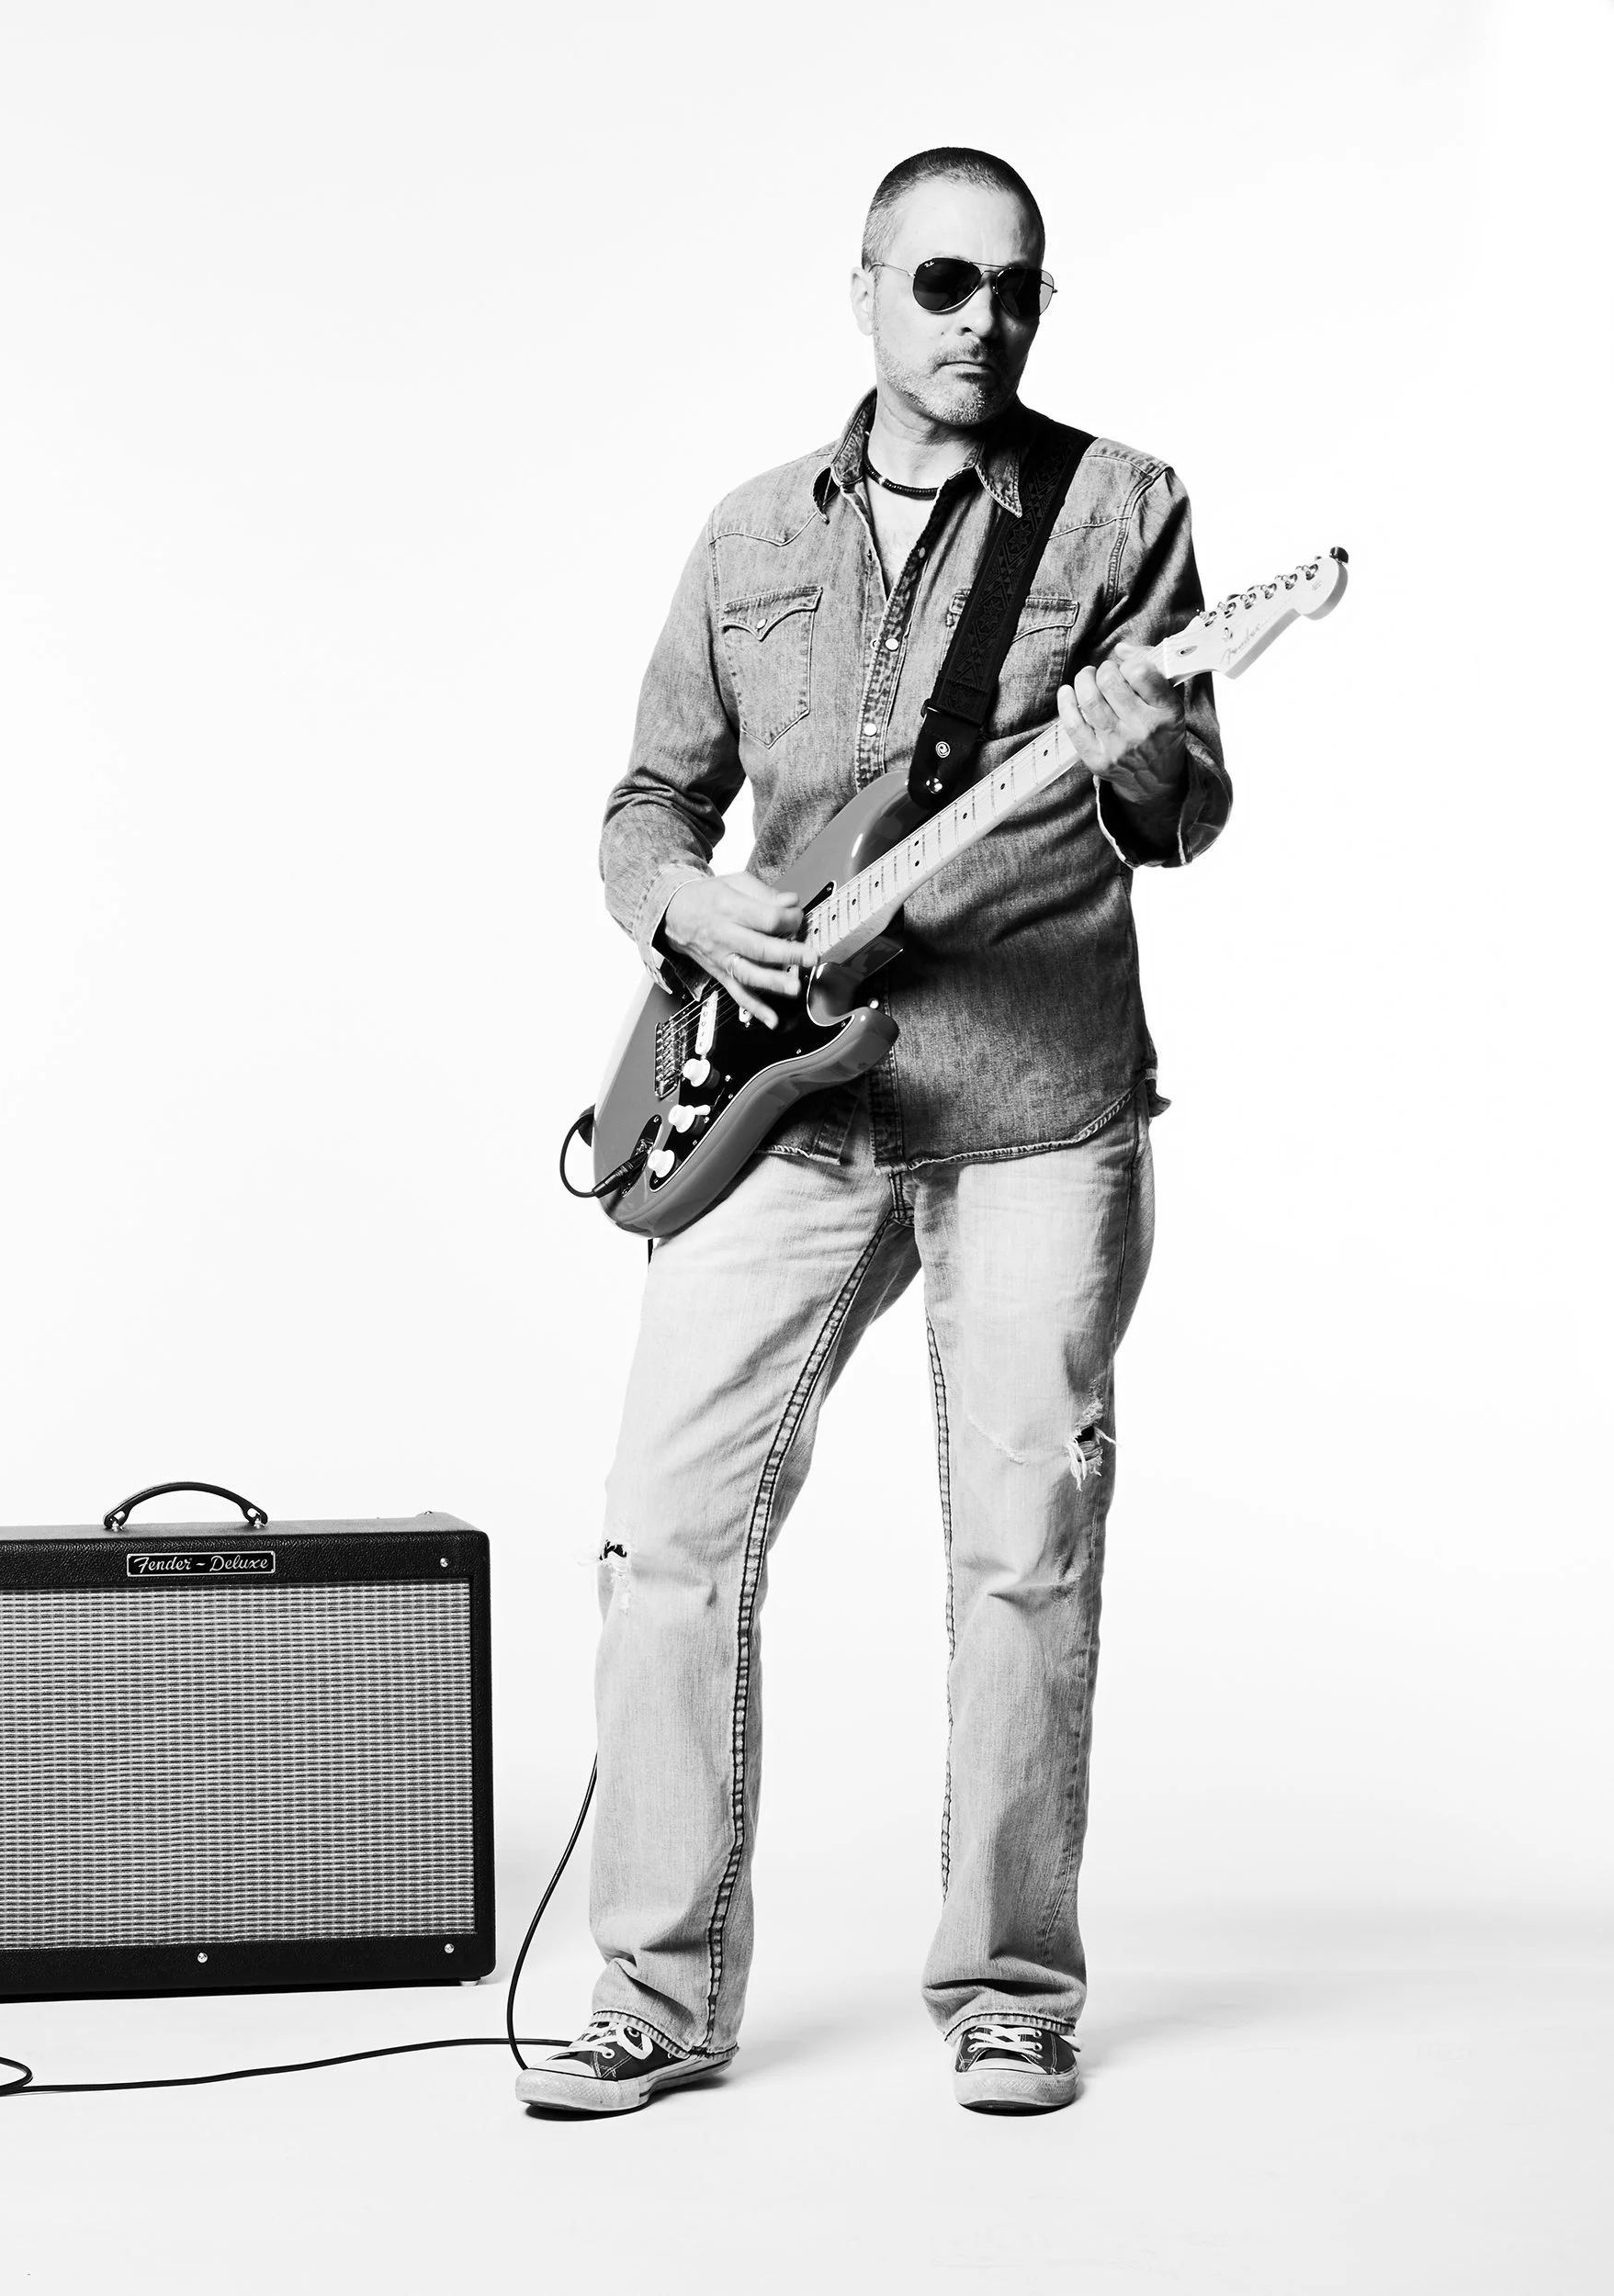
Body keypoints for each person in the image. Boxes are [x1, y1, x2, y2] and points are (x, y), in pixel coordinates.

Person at [516, 147, 1229, 2118]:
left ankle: (1006, 1990)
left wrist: (1138, 740)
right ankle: (650, 1992)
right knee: (664, 1531)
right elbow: (642, 805)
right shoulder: (750, 531)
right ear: (860, 292)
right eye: (939, 284)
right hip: (783, 1101)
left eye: (1012, 289)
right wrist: (682, 907)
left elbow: (1182, 812)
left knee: (1019, 1556)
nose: (978, 321)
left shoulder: (1122, 510)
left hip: (1028, 1112)